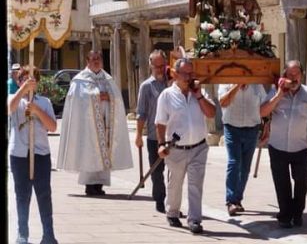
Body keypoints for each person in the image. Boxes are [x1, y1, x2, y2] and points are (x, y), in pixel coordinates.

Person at [57, 50, 133, 196]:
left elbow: (117, 98)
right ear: (88, 61)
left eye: (98, 58)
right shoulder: (80, 80)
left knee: (105, 152)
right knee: (90, 152)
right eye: (93, 59)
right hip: (88, 126)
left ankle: (99, 184)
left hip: (106, 123)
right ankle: (89, 184)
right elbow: (78, 100)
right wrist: (97, 97)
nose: (96, 61)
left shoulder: (108, 79)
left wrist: (109, 97)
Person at [155, 57, 216, 234]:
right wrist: (161, 144)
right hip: (176, 149)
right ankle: (172, 212)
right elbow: (160, 123)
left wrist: (199, 95)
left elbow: (211, 113)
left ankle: (195, 219)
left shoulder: (200, 93)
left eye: (191, 73)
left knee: (196, 184)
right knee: (175, 183)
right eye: (185, 74)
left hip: (198, 147)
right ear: (175, 74)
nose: (189, 77)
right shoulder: (166, 95)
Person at [259, 60, 307, 228]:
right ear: (284, 75)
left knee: (303, 181)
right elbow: (263, 111)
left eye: (297, 74)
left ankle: (297, 211)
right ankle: (285, 216)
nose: (294, 78)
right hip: (277, 146)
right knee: (282, 184)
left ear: (302, 75)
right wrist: (279, 94)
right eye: (290, 75)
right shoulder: (275, 91)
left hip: (300, 147)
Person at [8, 66, 59, 244]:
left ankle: (48, 234)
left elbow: (52, 127)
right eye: (24, 79)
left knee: (44, 194)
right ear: (19, 81)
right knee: (22, 195)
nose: (29, 82)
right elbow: (10, 108)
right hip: (20, 154)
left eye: (32, 80)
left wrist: (37, 110)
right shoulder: (14, 99)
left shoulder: (44, 102)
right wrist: (23, 90)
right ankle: (22, 233)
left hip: (40, 154)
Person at [218, 83, 267, 216]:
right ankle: (230, 200)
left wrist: (266, 126)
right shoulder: (225, 83)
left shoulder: (257, 86)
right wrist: (237, 86)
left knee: (245, 167)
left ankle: (238, 199)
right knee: (234, 163)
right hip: (232, 127)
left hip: (252, 128)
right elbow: (223, 102)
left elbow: (265, 107)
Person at [135, 50, 169, 213]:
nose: (160, 69)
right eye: (156, 66)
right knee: (157, 172)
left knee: (175, 173)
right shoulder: (146, 86)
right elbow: (141, 113)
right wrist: (138, 136)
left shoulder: (173, 83)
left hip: (174, 137)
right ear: (150, 66)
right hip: (154, 136)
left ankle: (172, 202)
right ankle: (160, 200)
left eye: (162, 65)